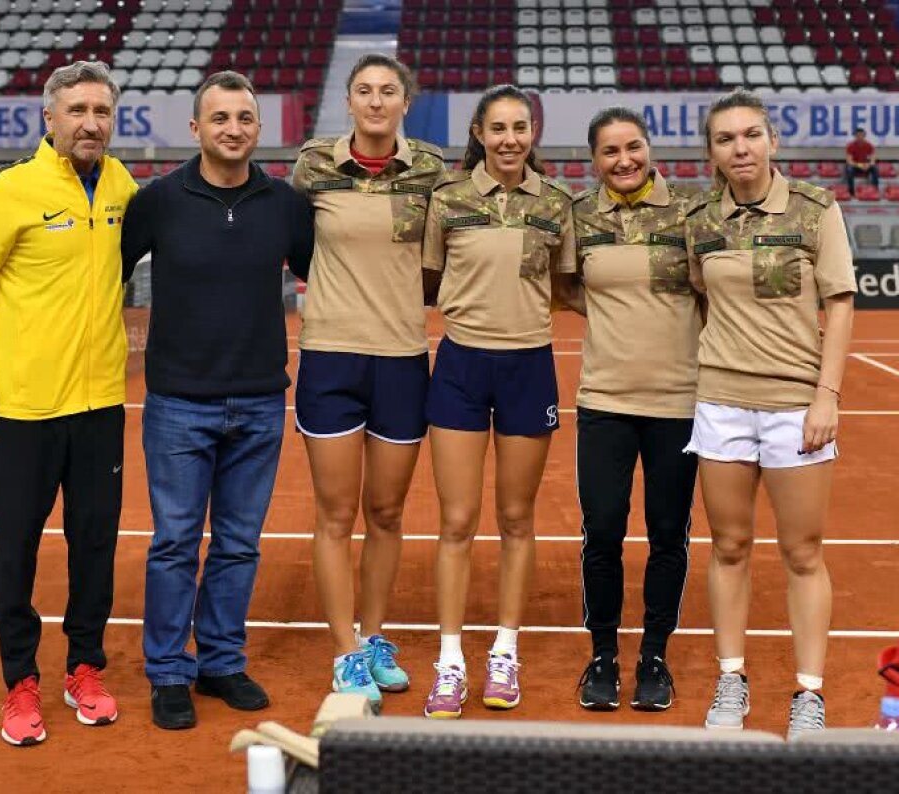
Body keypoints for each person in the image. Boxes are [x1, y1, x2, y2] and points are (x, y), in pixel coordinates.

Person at [0, 60, 138, 746]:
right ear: (49, 118)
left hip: (99, 408)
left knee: (94, 545)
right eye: (79, 110)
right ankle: (20, 682)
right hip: (23, 411)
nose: (92, 123)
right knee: (16, 550)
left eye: (102, 112)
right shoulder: (9, 189)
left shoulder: (121, 184)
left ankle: (85, 667)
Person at [120, 71, 314, 730]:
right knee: (175, 542)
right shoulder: (159, 201)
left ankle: (222, 662)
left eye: (245, 118)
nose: (233, 129)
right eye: (220, 118)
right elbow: (104, 274)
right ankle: (169, 670)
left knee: (237, 544)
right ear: (196, 128)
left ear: (258, 129)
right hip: (178, 403)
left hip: (259, 402)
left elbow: (321, 275)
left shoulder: (286, 205)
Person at [683, 89, 856, 739]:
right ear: (713, 152)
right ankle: (731, 679)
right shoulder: (701, 219)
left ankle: (808, 691)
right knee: (728, 545)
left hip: (795, 407)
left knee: (802, 551)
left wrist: (826, 395)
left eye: (751, 135)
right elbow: (702, 300)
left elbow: (839, 303)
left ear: (772, 141)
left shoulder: (815, 210)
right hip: (722, 403)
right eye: (726, 139)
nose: (741, 148)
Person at [290, 54, 444, 712]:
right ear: (349, 102)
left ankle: (375, 637)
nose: (376, 101)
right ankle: (345, 650)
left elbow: (444, 255)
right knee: (334, 513)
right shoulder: (313, 167)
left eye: (388, 92)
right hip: (329, 356)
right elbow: (299, 245)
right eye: (364, 91)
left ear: (405, 102)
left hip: (403, 357)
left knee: (385, 512)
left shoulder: (433, 170)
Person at [421, 85, 576, 719]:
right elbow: (430, 280)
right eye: (498, 128)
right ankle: (450, 660)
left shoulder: (558, 204)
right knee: (456, 521)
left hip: (528, 367)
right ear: (480, 134)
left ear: (531, 133)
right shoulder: (448, 200)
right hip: (459, 365)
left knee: (517, 519)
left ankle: (505, 651)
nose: (510, 139)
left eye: (520, 127)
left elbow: (566, 287)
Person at [567, 108, 701, 713]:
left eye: (633, 147)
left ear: (649, 149)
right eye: (609, 151)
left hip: (678, 403)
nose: (623, 160)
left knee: (669, 534)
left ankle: (653, 656)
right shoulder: (579, 215)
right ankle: (601, 656)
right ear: (593, 160)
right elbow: (563, 284)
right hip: (604, 401)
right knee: (602, 532)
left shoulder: (692, 212)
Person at [843, 128, 879, 194]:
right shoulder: (850, 146)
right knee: (849, 169)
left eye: (861, 135)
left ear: (864, 136)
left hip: (866, 166)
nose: (860, 137)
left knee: (875, 169)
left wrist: (869, 165)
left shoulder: (869, 145)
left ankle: (875, 190)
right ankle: (851, 192)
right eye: (858, 135)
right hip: (855, 166)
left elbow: (872, 160)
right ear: (855, 136)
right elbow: (849, 161)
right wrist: (859, 165)